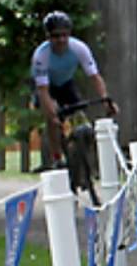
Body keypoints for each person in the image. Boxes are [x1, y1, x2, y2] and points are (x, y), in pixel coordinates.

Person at [31, 11, 117, 168]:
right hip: (47, 88)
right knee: (53, 120)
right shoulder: (41, 56)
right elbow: (43, 91)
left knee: (81, 119)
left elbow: (95, 77)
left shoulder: (79, 48)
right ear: (48, 36)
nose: (61, 40)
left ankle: (81, 156)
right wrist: (52, 115)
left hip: (66, 84)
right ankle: (57, 157)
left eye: (65, 35)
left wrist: (106, 100)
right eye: (56, 36)